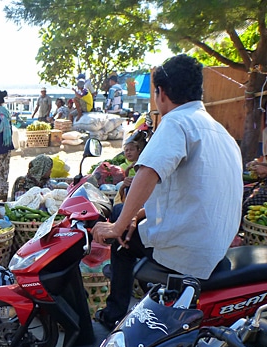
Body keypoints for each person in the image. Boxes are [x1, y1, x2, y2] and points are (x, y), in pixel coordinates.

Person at [91, 54, 243, 328]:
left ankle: (113, 316)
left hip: (189, 247)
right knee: (125, 217)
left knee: (119, 232)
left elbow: (147, 173)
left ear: (160, 93)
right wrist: (139, 212)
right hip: (214, 244)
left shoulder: (175, 122)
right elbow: (191, 193)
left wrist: (116, 227)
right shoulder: (221, 131)